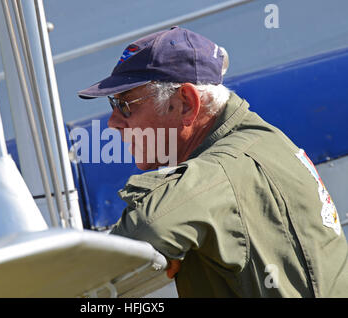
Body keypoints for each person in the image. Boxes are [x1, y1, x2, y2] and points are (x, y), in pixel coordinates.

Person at [77, 26, 348, 297]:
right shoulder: (263, 142)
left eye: (126, 104)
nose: (113, 123)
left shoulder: (223, 168)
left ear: (186, 103)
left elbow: (148, 227)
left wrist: (154, 243)